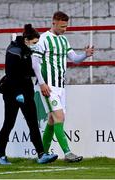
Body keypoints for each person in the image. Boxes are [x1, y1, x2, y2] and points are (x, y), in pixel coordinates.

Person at [32, 11, 94, 162]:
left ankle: (43, 155)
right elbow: (34, 62)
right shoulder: (43, 39)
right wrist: (42, 83)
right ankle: (67, 153)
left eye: (66, 26)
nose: (64, 29)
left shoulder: (64, 40)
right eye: (62, 26)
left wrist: (85, 55)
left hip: (61, 87)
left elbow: (74, 59)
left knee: (53, 121)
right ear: (54, 22)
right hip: (48, 86)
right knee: (60, 116)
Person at [0, 24, 58, 165]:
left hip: (26, 91)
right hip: (12, 92)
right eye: (34, 43)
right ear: (26, 40)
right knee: (8, 124)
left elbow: (29, 71)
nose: (36, 45)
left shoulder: (29, 51)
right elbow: (11, 74)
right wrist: (18, 93)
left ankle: (42, 155)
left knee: (33, 124)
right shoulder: (13, 51)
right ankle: (1, 156)